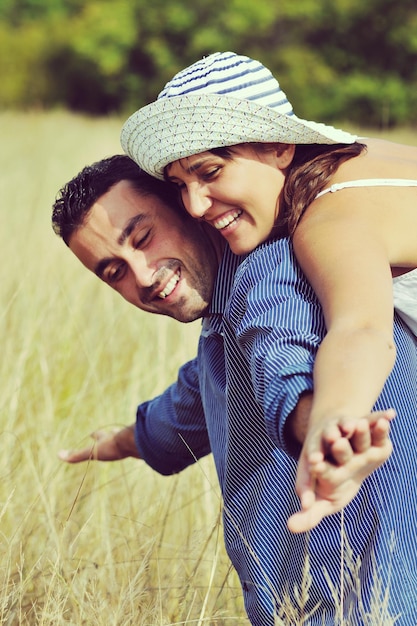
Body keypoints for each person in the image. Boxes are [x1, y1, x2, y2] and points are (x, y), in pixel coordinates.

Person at [52, 155, 417, 625]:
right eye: (114, 272)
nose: (142, 277)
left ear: (190, 209)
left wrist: (322, 428)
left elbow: (282, 361)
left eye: (142, 239)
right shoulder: (222, 330)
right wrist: (124, 440)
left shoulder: (270, 274)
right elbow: (193, 403)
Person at [120, 50, 417, 518]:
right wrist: (131, 437)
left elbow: (360, 329)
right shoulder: (361, 154)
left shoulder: (325, 223)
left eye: (211, 171)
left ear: (280, 147)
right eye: (180, 183)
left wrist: (330, 420)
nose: (195, 205)